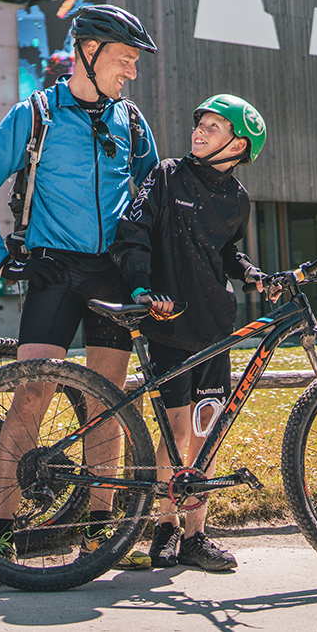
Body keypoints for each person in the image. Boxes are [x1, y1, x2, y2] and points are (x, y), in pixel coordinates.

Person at [0, 4, 161, 587]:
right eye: (125, 60)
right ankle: (1, 531)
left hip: (112, 275)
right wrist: (0, 256)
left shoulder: (132, 121)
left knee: (108, 400)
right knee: (33, 395)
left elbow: (151, 198)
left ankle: (103, 530)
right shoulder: (37, 114)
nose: (132, 72)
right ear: (88, 54)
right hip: (54, 273)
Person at [109, 94, 268, 571]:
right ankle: (165, 528)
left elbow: (225, 254)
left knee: (206, 432)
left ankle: (197, 536)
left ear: (239, 144)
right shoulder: (167, 175)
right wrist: (141, 286)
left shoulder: (237, 199)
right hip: (169, 323)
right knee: (176, 431)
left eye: (214, 127)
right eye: (200, 123)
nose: (200, 131)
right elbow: (132, 232)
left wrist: (251, 273)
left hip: (217, 330)